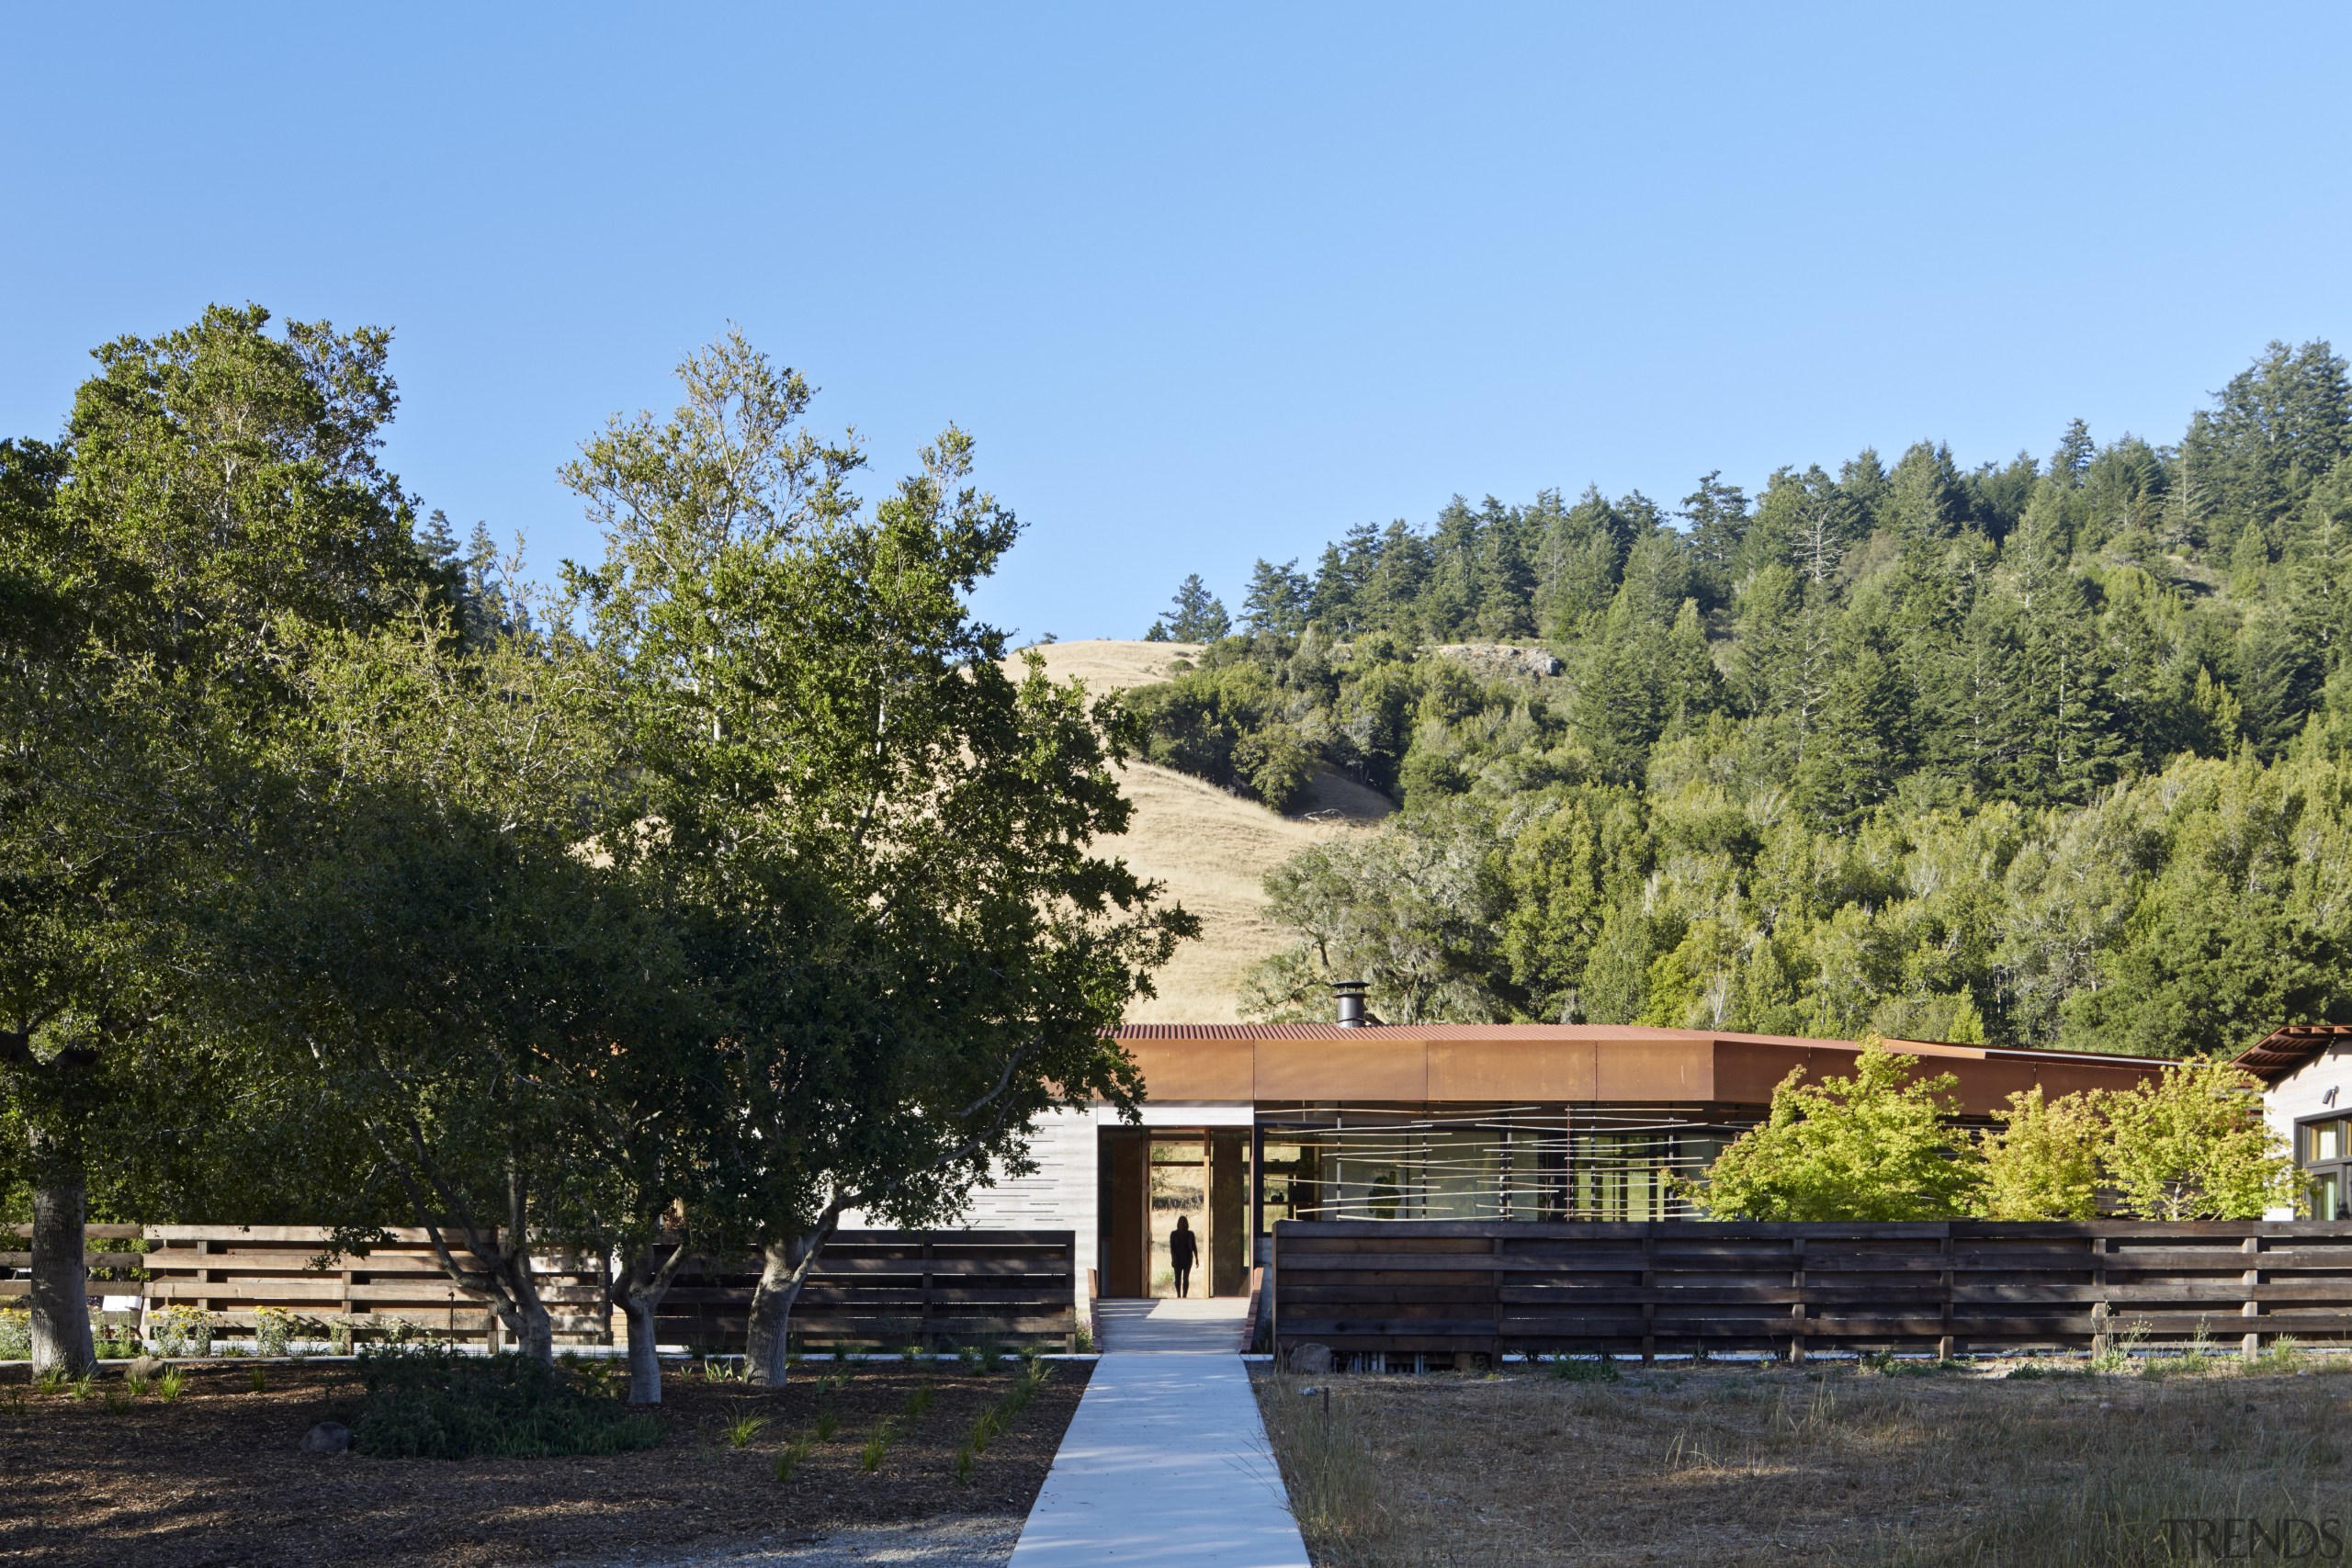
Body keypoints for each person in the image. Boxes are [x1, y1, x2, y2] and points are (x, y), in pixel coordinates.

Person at [1169, 1215, 1199, 1298]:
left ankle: (1185, 1295)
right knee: (1177, 1278)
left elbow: (1194, 1246)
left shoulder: (1190, 1234)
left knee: (1185, 1278)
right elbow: (1172, 1248)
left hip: (1188, 1258)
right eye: (1180, 1222)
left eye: (1184, 1222)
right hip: (1177, 1259)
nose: (1182, 1224)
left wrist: (1197, 1259)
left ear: (1186, 1224)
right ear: (1178, 1223)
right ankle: (1178, 1294)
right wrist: (1173, 1259)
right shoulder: (1174, 1234)